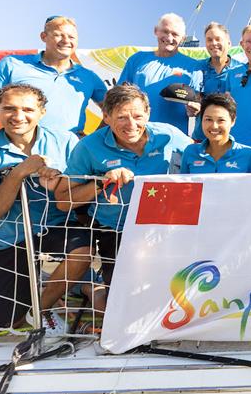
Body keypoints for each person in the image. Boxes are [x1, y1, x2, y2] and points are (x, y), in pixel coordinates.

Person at [0, 84, 92, 334]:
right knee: (3, 323)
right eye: (9, 108)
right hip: (6, 237)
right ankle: (11, 289)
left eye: (27, 109)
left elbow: (81, 189)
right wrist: (19, 173)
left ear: (42, 112)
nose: (18, 116)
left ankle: (39, 307)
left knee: (83, 249)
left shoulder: (66, 141)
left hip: (54, 226)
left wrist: (59, 182)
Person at [55, 83, 192, 286]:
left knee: (175, 287)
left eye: (137, 116)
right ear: (106, 117)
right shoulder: (87, 147)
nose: (131, 124)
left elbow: (203, 159)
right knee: (124, 295)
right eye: (121, 117)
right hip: (117, 231)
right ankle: (91, 291)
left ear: (148, 113)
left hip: (168, 228)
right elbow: (63, 202)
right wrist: (103, 182)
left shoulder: (170, 135)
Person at [0, 16, 107, 166]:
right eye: (58, 35)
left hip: (67, 157)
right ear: (43, 36)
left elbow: (113, 111)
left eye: (71, 37)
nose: (66, 40)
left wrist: (93, 140)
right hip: (14, 152)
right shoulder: (12, 64)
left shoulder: (89, 77)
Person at [117, 13, 203, 134]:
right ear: (156, 31)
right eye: (165, 31)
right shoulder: (136, 59)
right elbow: (118, 97)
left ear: (183, 38)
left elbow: (198, 102)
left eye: (175, 34)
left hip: (172, 140)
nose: (169, 38)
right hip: (134, 137)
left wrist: (194, 110)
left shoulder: (194, 67)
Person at [180, 93, 251, 174]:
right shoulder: (190, 151)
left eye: (221, 120)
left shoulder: (249, 155)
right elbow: (183, 185)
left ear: (233, 121)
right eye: (208, 119)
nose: (214, 126)